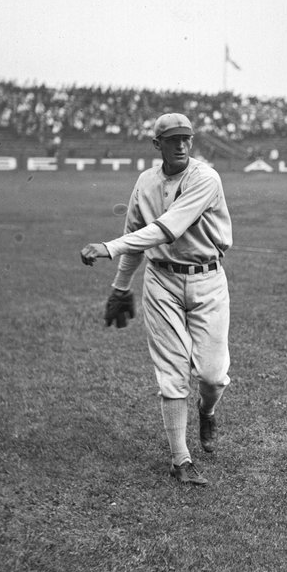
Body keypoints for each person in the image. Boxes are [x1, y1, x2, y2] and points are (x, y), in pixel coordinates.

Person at [80, 113, 232, 486]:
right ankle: (181, 459)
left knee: (213, 376)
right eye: (172, 139)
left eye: (186, 139)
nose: (180, 145)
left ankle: (207, 410)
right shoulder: (145, 182)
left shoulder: (205, 178)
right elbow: (137, 233)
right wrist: (120, 286)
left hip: (207, 279)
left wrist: (108, 248)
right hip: (161, 281)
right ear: (156, 145)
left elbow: (165, 228)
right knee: (172, 373)